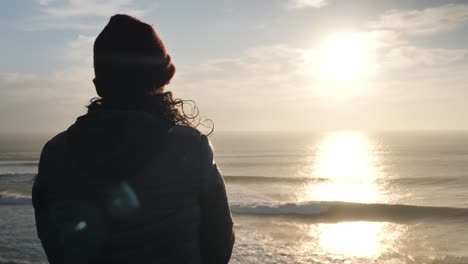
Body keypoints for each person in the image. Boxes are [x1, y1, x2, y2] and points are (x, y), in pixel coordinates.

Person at [32, 14, 234, 264]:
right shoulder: (191, 147)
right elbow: (220, 242)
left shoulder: (54, 153)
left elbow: (54, 244)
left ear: (99, 85)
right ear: (160, 81)